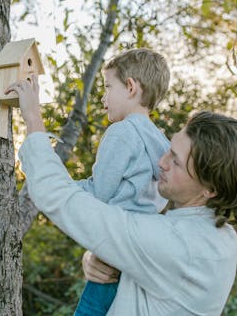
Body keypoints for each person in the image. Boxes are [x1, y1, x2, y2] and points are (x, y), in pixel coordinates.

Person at [5, 77, 237, 315]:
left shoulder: (178, 244)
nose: (161, 162)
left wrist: (32, 118)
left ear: (210, 189)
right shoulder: (219, 235)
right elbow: (140, 256)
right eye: (169, 150)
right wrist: (99, 258)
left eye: (176, 162)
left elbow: (60, 198)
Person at [68, 48, 170, 315]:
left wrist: (60, 184)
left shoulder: (121, 132)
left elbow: (98, 192)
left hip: (115, 244)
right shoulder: (162, 141)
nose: (103, 97)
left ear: (130, 87)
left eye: (107, 87)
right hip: (146, 248)